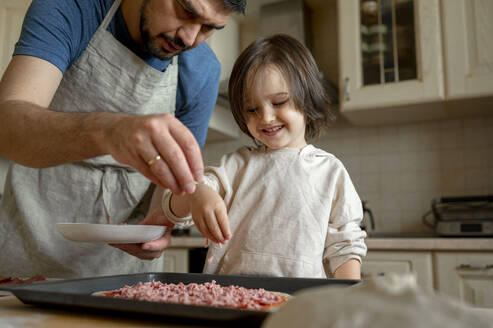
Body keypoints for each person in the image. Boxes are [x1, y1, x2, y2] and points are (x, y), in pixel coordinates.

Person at [0, 0, 246, 278]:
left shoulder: (203, 70)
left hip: (127, 270)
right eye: (187, 11)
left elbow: (174, 177)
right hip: (27, 253)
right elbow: (7, 125)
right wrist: (108, 131)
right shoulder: (73, 8)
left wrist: (161, 216)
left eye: (209, 28)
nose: (189, 38)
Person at [161, 34, 367, 279]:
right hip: (230, 303)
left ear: (307, 98)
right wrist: (197, 193)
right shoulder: (235, 166)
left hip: (298, 305)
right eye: (252, 109)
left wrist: (347, 297)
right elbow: (173, 208)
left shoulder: (330, 172)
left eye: (279, 102)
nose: (266, 118)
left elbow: (345, 247)